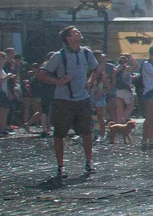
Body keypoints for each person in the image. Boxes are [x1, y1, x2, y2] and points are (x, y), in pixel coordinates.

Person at [39, 27, 100, 176]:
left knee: (87, 132)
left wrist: (91, 80)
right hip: (63, 100)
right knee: (60, 133)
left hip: (83, 98)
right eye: (75, 32)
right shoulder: (59, 56)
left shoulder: (86, 53)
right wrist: (58, 82)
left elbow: (96, 68)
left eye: (79, 31)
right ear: (68, 38)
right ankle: (61, 166)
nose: (79, 33)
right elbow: (41, 75)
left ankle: (89, 162)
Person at [110, 54, 137, 125]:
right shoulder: (126, 68)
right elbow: (136, 66)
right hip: (126, 89)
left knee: (119, 108)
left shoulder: (115, 69)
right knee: (130, 106)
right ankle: (123, 119)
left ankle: (118, 123)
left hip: (118, 89)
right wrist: (131, 58)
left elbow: (113, 80)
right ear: (126, 62)